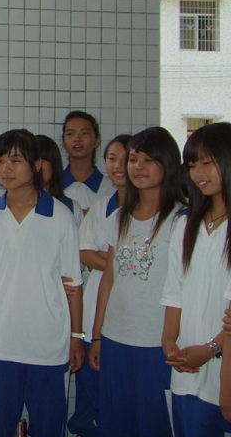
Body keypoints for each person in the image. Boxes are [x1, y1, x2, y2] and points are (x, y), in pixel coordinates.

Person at [0, 129, 84, 437]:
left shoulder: (61, 217)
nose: (5, 168)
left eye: (15, 160)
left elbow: (73, 285)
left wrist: (76, 335)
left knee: (48, 428)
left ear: (37, 165)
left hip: (47, 345)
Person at [88, 127, 186, 437]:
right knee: (117, 423)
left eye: (148, 160)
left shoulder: (181, 219)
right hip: (116, 339)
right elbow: (110, 279)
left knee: (154, 424)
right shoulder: (120, 217)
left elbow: (182, 289)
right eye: (133, 159)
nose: (137, 167)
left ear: (168, 164)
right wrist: (98, 335)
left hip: (157, 344)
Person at [162, 122, 231, 436]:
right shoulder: (186, 222)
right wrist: (168, 342)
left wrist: (211, 349)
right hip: (187, 369)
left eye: (207, 162)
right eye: (192, 165)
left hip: (221, 368)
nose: (199, 173)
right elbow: (175, 289)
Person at [69, 134, 131, 437]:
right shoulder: (102, 204)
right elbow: (82, 251)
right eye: (112, 158)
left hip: (134, 310)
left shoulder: (159, 205)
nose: (118, 166)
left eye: (127, 158)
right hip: (97, 300)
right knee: (95, 381)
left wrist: (108, 256)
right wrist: (126, 261)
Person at [61, 111, 115, 211]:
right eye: (70, 134)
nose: (77, 138)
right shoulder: (54, 186)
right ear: (63, 142)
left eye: (84, 133)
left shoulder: (111, 188)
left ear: (97, 141)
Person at [36, 134, 84, 227]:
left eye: (43, 160)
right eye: (33, 161)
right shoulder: (15, 207)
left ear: (54, 164)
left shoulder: (71, 207)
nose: (37, 165)